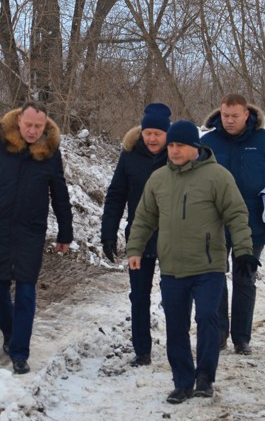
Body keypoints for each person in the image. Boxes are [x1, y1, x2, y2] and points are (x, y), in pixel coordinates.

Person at [126, 121, 256, 404]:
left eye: (179, 145)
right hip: (172, 267)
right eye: (171, 145)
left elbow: (236, 214)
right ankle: (182, 382)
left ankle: (205, 378)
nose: (173, 151)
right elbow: (144, 218)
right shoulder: (159, 179)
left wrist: (244, 250)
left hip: (208, 266)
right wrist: (134, 249)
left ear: (194, 147)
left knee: (208, 319)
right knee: (176, 326)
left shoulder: (217, 176)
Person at [0, 101, 74, 375]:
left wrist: (65, 232)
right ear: (19, 122)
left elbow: (60, 195)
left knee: (26, 290)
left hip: (30, 231)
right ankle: (10, 332)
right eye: (28, 124)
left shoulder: (49, 153)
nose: (32, 130)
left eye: (38, 126)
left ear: (45, 126)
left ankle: (19, 353)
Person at [201, 93, 265, 355]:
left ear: (246, 115)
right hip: (214, 223)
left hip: (252, 222)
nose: (229, 121)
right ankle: (218, 333)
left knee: (245, 278)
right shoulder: (207, 143)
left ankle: (241, 338)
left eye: (234, 116)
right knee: (215, 278)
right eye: (224, 115)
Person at [100, 103, 171, 367]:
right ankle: (142, 351)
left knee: (174, 294)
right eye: (148, 132)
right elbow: (116, 196)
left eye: (158, 133)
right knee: (138, 295)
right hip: (138, 239)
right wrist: (108, 232)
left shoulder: (177, 156)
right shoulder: (129, 156)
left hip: (172, 238)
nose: (152, 138)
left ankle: (177, 345)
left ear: (167, 134)